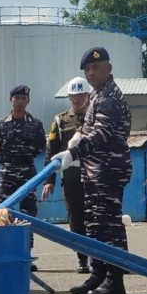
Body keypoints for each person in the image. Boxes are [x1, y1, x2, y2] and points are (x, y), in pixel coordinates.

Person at [52, 47, 132, 294]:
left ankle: (115, 280)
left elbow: (100, 134)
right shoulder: (97, 95)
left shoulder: (109, 96)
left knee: (109, 225)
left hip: (109, 169)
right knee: (94, 224)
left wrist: (73, 154)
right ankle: (98, 273)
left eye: (96, 68)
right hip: (94, 170)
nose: (91, 72)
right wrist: (74, 140)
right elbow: (87, 127)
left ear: (108, 68)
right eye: (87, 69)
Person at [42, 77, 92, 273]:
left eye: (81, 95)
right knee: (76, 217)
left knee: (96, 216)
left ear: (87, 95)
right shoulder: (60, 120)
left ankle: (102, 258)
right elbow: (51, 151)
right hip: (70, 175)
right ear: (69, 97)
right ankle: (82, 258)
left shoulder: (95, 116)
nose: (77, 99)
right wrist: (49, 180)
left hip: (94, 173)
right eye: (74, 95)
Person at [0, 85, 46, 269]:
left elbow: (41, 146)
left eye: (23, 98)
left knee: (28, 214)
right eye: (16, 98)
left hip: (27, 173)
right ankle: (6, 254)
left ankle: (26, 254)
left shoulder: (35, 124)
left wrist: (27, 155)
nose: (20, 101)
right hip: (7, 172)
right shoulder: (1, 124)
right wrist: (5, 160)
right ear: (11, 100)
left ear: (28, 101)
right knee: (3, 213)